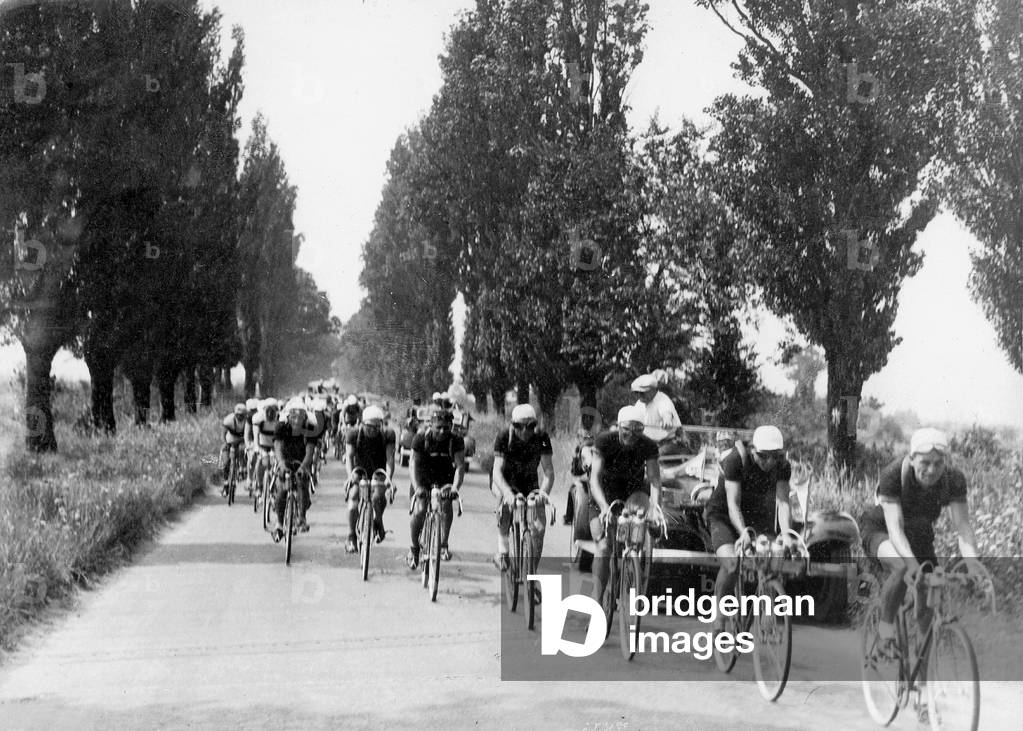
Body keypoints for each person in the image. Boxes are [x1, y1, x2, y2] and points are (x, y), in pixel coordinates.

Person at [858, 428, 980, 719]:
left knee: (926, 619)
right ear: (912, 459)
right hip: (881, 531)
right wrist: (913, 566)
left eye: (938, 464)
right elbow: (895, 528)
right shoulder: (893, 475)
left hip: (919, 537)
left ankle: (923, 696)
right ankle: (886, 631)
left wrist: (974, 564)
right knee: (902, 567)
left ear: (946, 463)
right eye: (924, 463)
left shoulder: (953, 480)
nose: (931, 470)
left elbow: (962, 527)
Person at [704, 425, 795, 629]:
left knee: (774, 556)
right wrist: (743, 531)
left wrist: (787, 534)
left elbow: (782, 502)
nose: (769, 462)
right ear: (753, 450)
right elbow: (732, 505)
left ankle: (767, 603)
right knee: (733, 563)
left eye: (775, 456)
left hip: (756, 515)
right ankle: (719, 614)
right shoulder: (735, 460)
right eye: (763, 456)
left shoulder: (782, 466)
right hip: (724, 515)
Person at [587, 405, 663, 603]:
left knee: (637, 530)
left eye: (638, 430)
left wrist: (655, 507)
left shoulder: (648, 445)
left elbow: (655, 480)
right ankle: (597, 600)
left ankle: (631, 564)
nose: (632, 435)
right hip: (602, 496)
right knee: (604, 548)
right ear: (619, 427)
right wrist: (604, 507)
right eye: (627, 430)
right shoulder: (605, 441)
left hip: (631, 496)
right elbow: (594, 478)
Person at [491, 404, 555, 570]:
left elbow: (548, 471)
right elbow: (497, 471)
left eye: (530, 426)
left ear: (536, 425)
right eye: (519, 426)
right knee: (504, 504)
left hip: (529, 482)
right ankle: (503, 551)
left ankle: (531, 577)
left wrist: (543, 493)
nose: (525, 431)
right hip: (504, 481)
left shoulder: (541, 437)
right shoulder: (504, 436)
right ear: (512, 424)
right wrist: (507, 493)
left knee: (539, 528)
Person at [407, 409, 465, 567]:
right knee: (419, 511)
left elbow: (460, 467)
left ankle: (444, 544)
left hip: (444, 480)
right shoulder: (420, 438)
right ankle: (414, 549)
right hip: (422, 480)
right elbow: (413, 464)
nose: (442, 431)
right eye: (438, 427)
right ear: (430, 425)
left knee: (446, 505)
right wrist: (417, 487)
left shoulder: (456, 440)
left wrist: (455, 487)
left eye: (446, 428)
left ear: (451, 426)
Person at [344, 405, 397, 552]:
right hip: (359, 470)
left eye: (376, 427)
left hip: (378, 471)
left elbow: (389, 460)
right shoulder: (353, 434)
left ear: (381, 425)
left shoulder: (388, 434)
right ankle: (351, 536)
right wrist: (350, 475)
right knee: (354, 497)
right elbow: (349, 457)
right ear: (362, 424)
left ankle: (378, 519)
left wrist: (389, 477)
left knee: (379, 496)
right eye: (369, 427)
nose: (373, 430)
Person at [270, 399, 317, 540]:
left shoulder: (310, 428)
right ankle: (279, 524)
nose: (297, 420)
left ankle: (301, 518)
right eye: (294, 416)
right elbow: (278, 447)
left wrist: (303, 467)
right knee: (282, 489)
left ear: (305, 417)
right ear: (288, 416)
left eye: (301, 416)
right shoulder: (281, 427)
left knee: (302, 483)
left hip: (301, 461)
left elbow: (310, 452)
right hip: (284, 460)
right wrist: (281, 463)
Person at [632, 373, 682, 451]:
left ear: (653, 390)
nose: (639, 395)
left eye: (642, 393)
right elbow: (633, 418)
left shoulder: (663, 400)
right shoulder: (640, 403)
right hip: (648, 444)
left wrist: (667, 421)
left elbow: (667, 413)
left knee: (651, 458)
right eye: (637, 392)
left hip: (667, 444)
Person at [251, 399, 280, 496]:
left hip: (275, 446)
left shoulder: (280, 420)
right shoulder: (259, 419)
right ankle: (259, 486)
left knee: (278, 465)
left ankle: (276, 486)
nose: (270, 413)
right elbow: (256, 436)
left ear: (276, 411)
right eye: (268, 410)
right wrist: (256, 447)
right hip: (262, 445)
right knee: (261, 462)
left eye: (273, 411)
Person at [219, 403, 248, 496]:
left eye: (241, 415)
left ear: (245, 415)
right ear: (234, 414)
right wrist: (225, 443)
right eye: (237, 415)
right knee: (226, 461)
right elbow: (223, 433)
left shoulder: (248, 421)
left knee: (243, 451)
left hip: (243, 440)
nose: (239, 417)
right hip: (230, 439)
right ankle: (226, 482)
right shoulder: (229, 420)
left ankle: (242, 469)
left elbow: (250, 435)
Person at [242, 398, 261, 494]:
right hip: (253, 441)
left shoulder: (261, 417)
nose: (253, 412)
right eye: (252, 410)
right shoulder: (249, 418)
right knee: (251, 458)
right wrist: (248, 445)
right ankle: (249, 479)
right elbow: (246, 433)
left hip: (263, 441)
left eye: (255, 410)